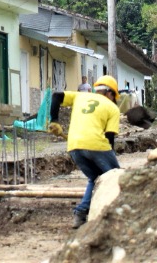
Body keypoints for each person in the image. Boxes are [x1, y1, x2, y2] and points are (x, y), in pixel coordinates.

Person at [48, 75, 122, 229]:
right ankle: (117, 213)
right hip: (98, 146)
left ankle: (81, 213)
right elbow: (109, 137)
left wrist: (54, 120)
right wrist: (110, 158)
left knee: (94, 178)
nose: (114, 100)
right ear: (109, 93)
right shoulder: (112, 108)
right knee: (115, 177)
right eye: (114, 97)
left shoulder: (81, 96)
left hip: (74, 146)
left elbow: (56, 96)